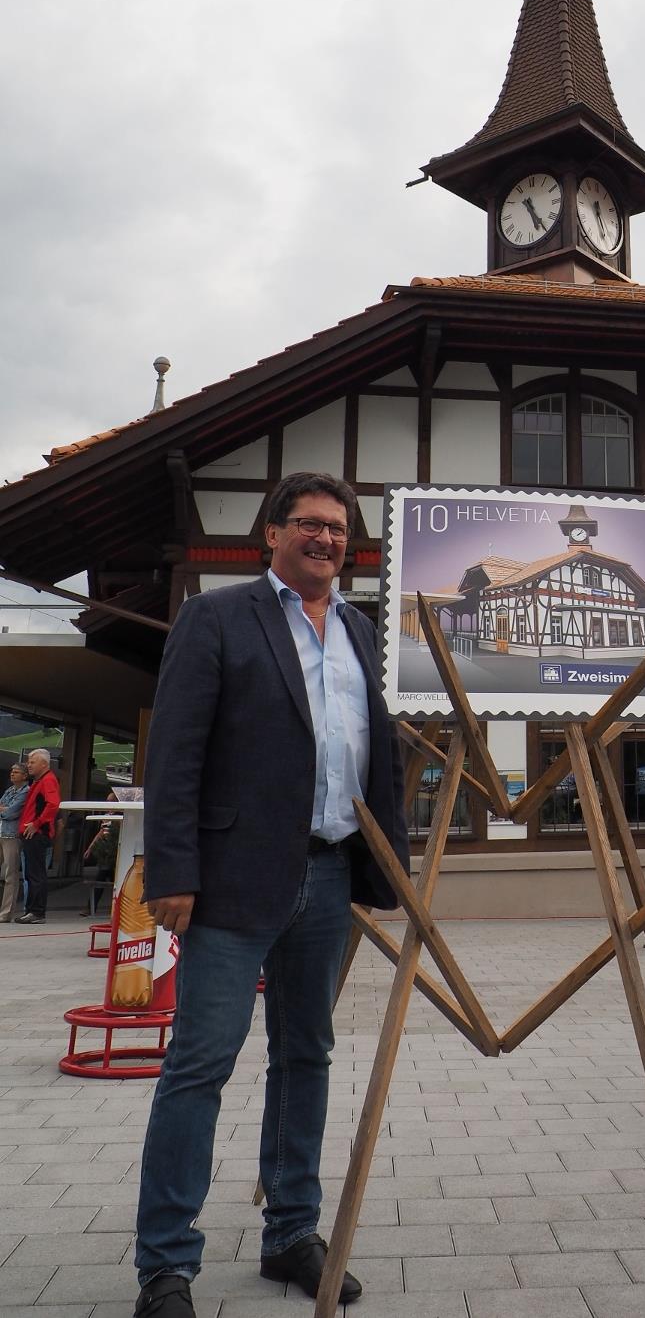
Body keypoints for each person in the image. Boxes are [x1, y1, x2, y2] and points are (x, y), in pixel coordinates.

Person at [133, 471, 409, 1318]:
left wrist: (387, 863)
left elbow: (378, 753)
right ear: (271, 534)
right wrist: (172, 870)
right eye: (308, 524)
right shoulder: (218, 617)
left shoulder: (360, 629)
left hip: (328, 873)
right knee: (199, 1065)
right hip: (230, 879)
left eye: (338, 529)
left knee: (307, 1056)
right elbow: (175, 750)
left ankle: (291, 1230)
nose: (325, 538)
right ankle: (166, 1266)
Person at [18, 748, 60, 924]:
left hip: (37, 833)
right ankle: (32, 910)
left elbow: (53, 804)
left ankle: (37, 912)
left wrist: (36, 824)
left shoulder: (48, 780)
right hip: (30, 833)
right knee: (31, 873)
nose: (29, 765)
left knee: (36, 874)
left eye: (32, 762)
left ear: (44, 763)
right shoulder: (39, 781)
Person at [0, 761, 31, 922]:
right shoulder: (10, 790)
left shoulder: (26, 792)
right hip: (1, 832)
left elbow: (10, 813)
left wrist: (4, 809)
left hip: (12, 835)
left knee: (10, 874)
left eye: (16, 772)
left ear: (25, 776)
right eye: (12, 771)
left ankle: (6, 913)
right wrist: (4, 809)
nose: (12, 774)